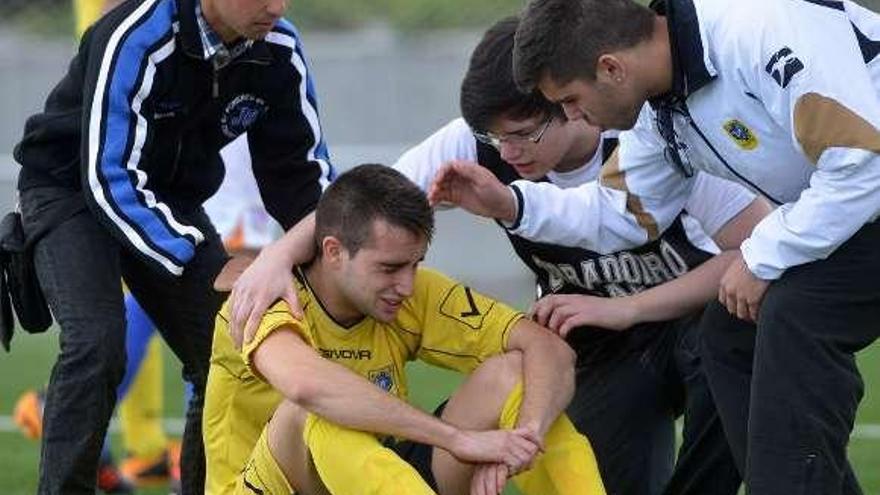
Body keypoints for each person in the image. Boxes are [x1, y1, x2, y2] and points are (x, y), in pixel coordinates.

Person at [227, 16, 770, 494]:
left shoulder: (653, 135)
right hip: (595, 339)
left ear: (570, 105)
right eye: (493, 137)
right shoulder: (471, 146)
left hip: (685, 315)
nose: (506, 152)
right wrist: (276, 257)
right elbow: (360, 208)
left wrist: (628, 307)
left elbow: (757, 252)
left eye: (522, 135)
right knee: (594, 459)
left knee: (735, 337)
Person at [433, 0, 880, 492]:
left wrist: (762, 254)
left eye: (570, 100)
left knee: (793, 312)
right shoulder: (659, 109)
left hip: (868, 187)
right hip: (862, 208)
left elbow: (863, 161)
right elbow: (621, 214)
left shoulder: (758, 28)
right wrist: (513, 206)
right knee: (730, 330)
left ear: (611, 68)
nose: (573, 116)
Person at [11, 0, 333, 491]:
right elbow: (108, 175)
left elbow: (302, 177)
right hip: (69, 190)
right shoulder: (135, 36)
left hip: (169, 197)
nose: (278, 6)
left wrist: (339, 253)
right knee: (97, 343)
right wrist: (193, 258)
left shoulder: (278, 48)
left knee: (231, 347)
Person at [204, 164, 604, 495]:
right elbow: (308, 388)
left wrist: (522, 439)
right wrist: (457, 440)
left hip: (375, 481)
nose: (407, 285)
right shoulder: (264, 295)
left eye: (415, 264)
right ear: (333, 252)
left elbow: (549, 351)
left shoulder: (410, 293)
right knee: (314, 413)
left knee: (513, 375)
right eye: (390, 268)